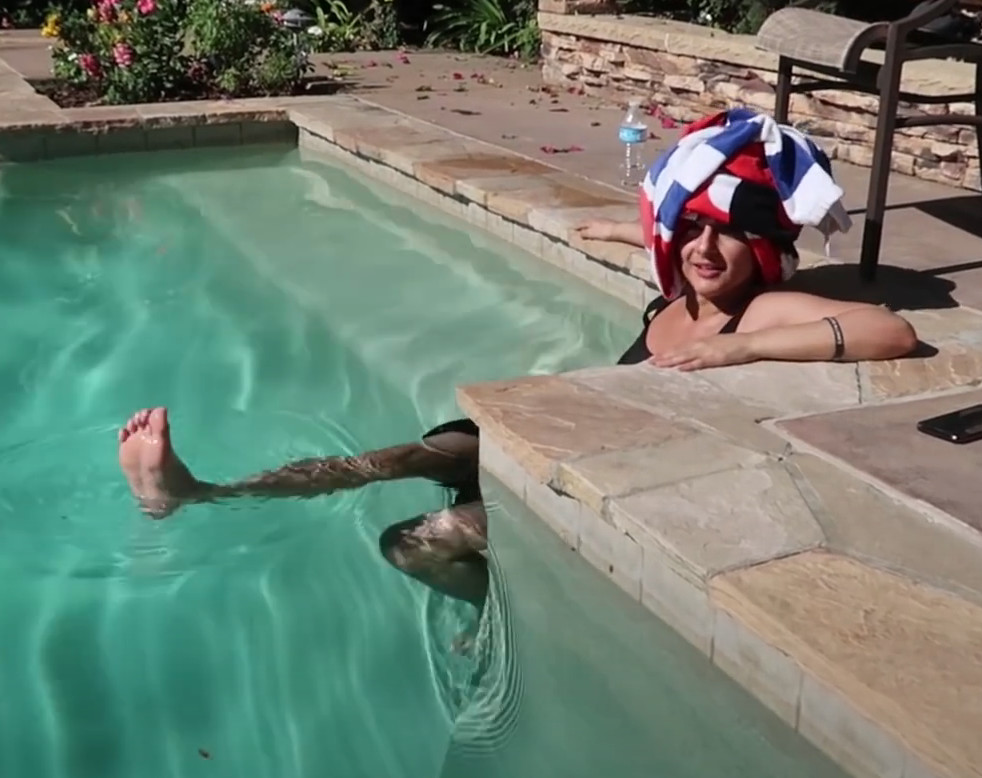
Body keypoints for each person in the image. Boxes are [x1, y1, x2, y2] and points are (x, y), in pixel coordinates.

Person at [116, 109, 918, 612]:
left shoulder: (757, 307)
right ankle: (200, 491)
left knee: (412, 542)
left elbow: (889, 332)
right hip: (548, 428)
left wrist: (742, 345)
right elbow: (667, 237)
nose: (704, 249)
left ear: (767, 244)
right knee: (386, 459)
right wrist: (633, 230)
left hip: (586, 478)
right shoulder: (681, 280)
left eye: (729, 233)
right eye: (691, 228)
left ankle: (505, 612)